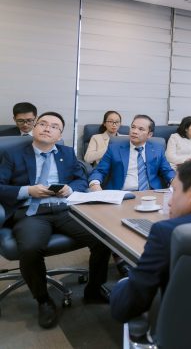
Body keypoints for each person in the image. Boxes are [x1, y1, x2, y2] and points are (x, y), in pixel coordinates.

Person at [0, 111, 111, 328]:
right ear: (34, 128)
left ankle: (94, 289)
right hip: (32, 212)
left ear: (59, 135)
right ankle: (43, 300)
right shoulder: (13, 154)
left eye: (54, 126)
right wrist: (27, 190)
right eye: (42, 123)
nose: (47, 128)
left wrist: (70, 189)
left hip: (64, 210)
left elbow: (81, 180)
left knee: (103, 238)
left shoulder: (67, 153)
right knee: (30, 248)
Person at [110, 157, 191, 323]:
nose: (170, 202)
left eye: (174, 190)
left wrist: (120, 287)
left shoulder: (168, 232)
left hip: (187, 331)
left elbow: (126, 306)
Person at [88, 114, 175, 191]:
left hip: (151, 194)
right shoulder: (114, 148)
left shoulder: (157, 149)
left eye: (141, 129)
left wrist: (174, 181)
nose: (135, 131)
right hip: (122, 194)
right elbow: (99, 170)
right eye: (133, 127)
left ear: (149, 135)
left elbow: (167, 171)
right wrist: (95, 184)